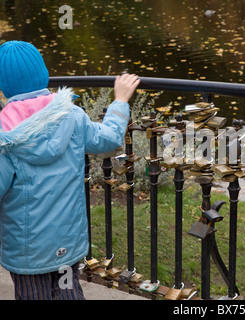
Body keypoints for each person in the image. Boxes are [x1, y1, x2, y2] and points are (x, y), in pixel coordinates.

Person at [0, 40, 140, 300]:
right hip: (66, 241)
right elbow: (108, 139)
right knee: (68, 290)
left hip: (28, 249)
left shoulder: (5, 138)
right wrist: (120, 101)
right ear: (43, 74)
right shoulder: (72, 116)